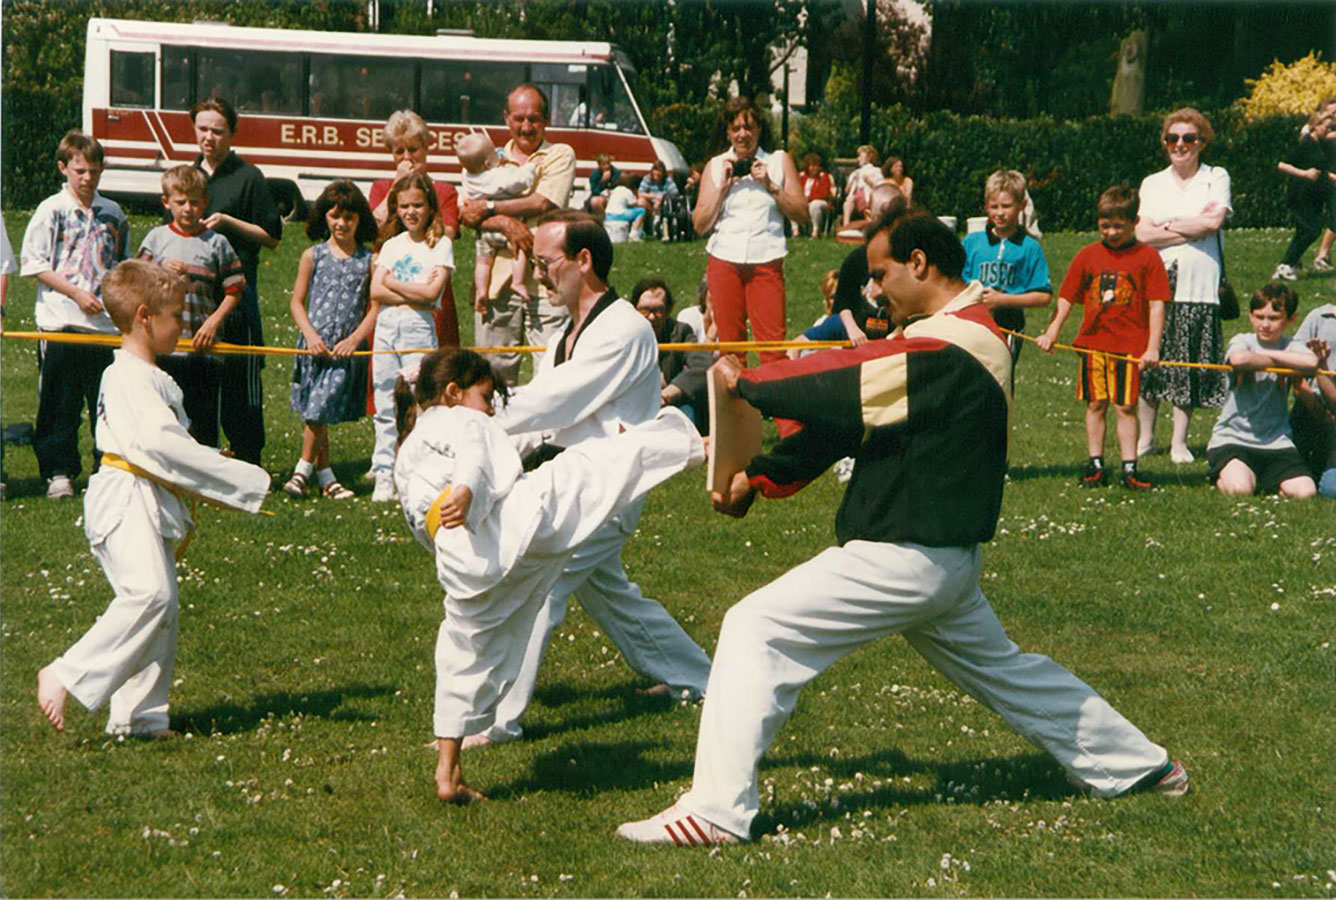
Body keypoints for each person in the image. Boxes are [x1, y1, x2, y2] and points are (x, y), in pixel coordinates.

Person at [617, 212, 1188, 847]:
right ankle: (1143, 766)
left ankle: (717, 811)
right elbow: (855, 421)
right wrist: (763, 476)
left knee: (755, 628)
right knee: (1011, 674)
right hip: (938, 561)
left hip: (904, 556)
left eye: (882, 273)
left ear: (919, 264)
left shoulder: (953, 344)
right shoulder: (948, 337)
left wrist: (748, 382)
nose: (875, 289)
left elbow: (846, 384)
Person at [393, 347, 705, 801]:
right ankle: (699, 444)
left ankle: (448, 772)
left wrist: (459, 515)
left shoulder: (409, 452)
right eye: (485, 397)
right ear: (454, 392)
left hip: (462, 562)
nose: (488, 409)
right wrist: (466, 489)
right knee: (587, 468)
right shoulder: (457, 418)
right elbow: (477, 451)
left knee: (462, 651)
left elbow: (426, 520)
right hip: (507, 524)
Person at [465, 211, 713, 747]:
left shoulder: (622, 328)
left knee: (537, 585)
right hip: (575, 481)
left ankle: (496, 718)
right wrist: (492, 450)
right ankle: (700, 678)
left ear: (584, 261)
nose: (539, 273)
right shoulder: (568, 331)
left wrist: (484, 419)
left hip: (610, 488)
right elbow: (549, 416)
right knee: (614, 597)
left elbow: (557, 398)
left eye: (546, 262)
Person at [35, 260, 270, 736]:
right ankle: (64, 672)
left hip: (146, 495)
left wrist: (203, 456)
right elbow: (160, 445)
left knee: (161, 612)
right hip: (125, 498)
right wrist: (243, 477)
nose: (182, 325)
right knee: (150, 595)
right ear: (144, 316)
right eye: (175, 316)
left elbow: (169, 440)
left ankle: (139, 715)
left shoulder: (147, 376)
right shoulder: (127, 377)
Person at [20, 130, 130, 500]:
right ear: (63, 168)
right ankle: (58, 471)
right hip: (61, 321)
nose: (87, 178)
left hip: (103, 327)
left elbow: (121, 265)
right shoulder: (51, 209)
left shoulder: (112, 212)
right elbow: (34, 263)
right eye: (80, 171)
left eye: (94, 171)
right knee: (59, 402)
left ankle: (107, 467)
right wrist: (76, 293)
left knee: (104, 400)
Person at [1036, 185, 1168, 491]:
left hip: (1129, 349)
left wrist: (1152, 347)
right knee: (1095, 404)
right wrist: (1053, 330)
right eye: (1104, 226)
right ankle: (1095, 463)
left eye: (1118, 226)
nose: (1110, 232)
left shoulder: (1147, 258)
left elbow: (1157, 304)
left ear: (1135, 222)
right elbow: (1067, 296)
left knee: (1125, 407)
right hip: (1093, 345)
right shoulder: (1087, 256)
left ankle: (1129, 467)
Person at [460, 84, 577, 386]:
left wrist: (489, 208)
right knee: (493, 371)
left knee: (552, 369)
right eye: (519, 118)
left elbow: (545, 202)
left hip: (547, 282)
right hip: (495, 285)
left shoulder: (559, 155)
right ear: (506, 118)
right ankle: (497, 431)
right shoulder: (487, 158)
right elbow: (466, 214)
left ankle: (548, 435)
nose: (526, 127)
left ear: (547, 119)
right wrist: (503, 223)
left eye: (534, 119)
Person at [188, 97, 283, 466]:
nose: (209, 137)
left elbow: (272, 236)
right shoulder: (188, 175)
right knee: (198, 379)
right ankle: (201, 458)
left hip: (238, 295)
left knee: (240, 381)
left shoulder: (248, 176)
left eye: (217, 130)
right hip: (195, 298)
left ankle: (248, 458)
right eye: (203, 129)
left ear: (231, 133)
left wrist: (227, 222)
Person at [1135, 108, 1230, 464]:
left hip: (1200, 284)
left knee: (1186, 359)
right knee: (1152, 359)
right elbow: (1141, 234)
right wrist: (1188, 224)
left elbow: (1213, 222)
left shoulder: (1215, 177)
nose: (1180, 145)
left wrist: (1166, 227)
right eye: (1172, 138)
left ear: (1202, 142)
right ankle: (1145, 438)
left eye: (1188, 138)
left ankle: (1178, 442)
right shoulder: (1153, 183)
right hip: (1157, 284)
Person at [136, 165, 244, 448]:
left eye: (195, 202)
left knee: (203, 419)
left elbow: (235, 289)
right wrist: (160, 270)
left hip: (202, 347)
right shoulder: (156, 239)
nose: (188, 209)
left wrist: (214, 322)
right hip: (164, 347)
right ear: (166, 202)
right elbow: (136, 284)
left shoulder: (217, 243)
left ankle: (202, 479)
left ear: (206, 203)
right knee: (164, 417)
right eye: (180, 202)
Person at [694, 96, 808, 366]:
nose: (743, 134)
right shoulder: (716, 165)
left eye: (749, 127)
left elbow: (802, 215)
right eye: (736, 128)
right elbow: (700, 224)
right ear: (728, 132)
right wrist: (722, 190)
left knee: (772, 345)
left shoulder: (779, 161)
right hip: (724, 259)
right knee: (731, 348)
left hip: (766, 259)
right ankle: (736, 407)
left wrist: (771, 185)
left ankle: (775, 407)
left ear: (759, 129)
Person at [283, 181, 378, 500]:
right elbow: (297, 301)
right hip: (314, 346)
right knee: (316, 409)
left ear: (359, 220)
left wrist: (355, 339)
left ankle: (301, 471)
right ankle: (327, 478)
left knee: (319, 408)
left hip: (343, 350)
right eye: (335, 216)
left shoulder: (369, 260)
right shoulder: (313, 255)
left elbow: (376, 306)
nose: (341, 224)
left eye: (349, 217)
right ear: (324, 217)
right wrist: (309, 334)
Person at [369, 173, 453, 502]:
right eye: (404, 206)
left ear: (430, 206)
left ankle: (418, 471)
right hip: (387, 328)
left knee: (419, 400)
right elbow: (376, 289)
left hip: (419, 328)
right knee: (385, 398)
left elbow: (433, 294)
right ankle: (383, 472)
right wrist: (412, 292)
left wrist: (396, 286)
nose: (411, 212)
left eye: (418, 205)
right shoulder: (392, 245)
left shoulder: (440, 244)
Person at [1206, 283, 1318, 498]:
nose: (1265, 324)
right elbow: (1239, 359)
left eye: (1274, 318)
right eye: (1259, 317)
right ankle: (1227, 476)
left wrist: (1270, 357)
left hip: (1276, 442)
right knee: (1241, 490)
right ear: (1250, 316)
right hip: (1232, 440)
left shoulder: (1291, 345)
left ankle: (1264, 478)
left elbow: (1311, 363)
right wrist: (1284, 362)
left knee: (1306, 492)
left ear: (1291, 319)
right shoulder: (1243, 340)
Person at [368, 110, 461, 349]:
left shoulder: (444, 191)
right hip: (387, 301)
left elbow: (446, 234)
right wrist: (397, 187)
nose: (407, 157)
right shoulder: (381, 188)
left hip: (430, 297)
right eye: (399, 151)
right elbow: (373, 231)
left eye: (413, 149)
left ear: (426, 148)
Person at [962, 170, 1053, 364]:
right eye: (994, 206)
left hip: (1009, 325)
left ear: (1022, 205)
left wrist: (1002, 300)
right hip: (971, 323)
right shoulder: (972, 243)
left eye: (1006, 206)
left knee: (1000, 377)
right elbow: (955, 282)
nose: (1000, 213)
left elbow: (1043, 297)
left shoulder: (1029, 248)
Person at [456, 131, 537, 308]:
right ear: (487, 163)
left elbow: (488, 162)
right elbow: (521, 181)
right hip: (505, 232)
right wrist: (529, 167)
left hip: (484, 232)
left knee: (483, 262)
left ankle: (482, 291)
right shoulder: (498, 177)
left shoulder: (467, 175)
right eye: (494, 154)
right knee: (520, 250)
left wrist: (496, 158)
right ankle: (518, 282)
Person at [1272, 109, 1335, 281]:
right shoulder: (1306, 144)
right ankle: (1286, 264)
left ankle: (1287, 265)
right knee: (1312, 229)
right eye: (1327, 128)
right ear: (1316, 126)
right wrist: (1304, 174)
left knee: (1305, 230)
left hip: (1310, 196)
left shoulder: (1318, 144)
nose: (1328, 132)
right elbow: (1282, 165)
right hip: (1299, 194)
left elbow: (1320, 169)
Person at [632, 276, 707, 419]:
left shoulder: (680, 333)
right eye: (645, 310)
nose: (652, 317)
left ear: (669, 310)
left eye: (658, 310)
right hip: (633, 404)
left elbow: (703, 364)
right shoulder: (624, 335)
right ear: (634, 309)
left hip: (672, 405)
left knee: (685, 417)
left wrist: (669, 394)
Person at [1290, 290, 1336, 497]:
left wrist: (1322, 365)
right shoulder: (1319, 317)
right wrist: (1309, 400)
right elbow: (1294, 364)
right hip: (1309, 409)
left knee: (1331, 490)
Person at [786, 269, 841, 358]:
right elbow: (795, 347)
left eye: (841, 295)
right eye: (833, 297)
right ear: (827, 301)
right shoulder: (822, 324)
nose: (838, 301)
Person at [841, 145, 883, 226]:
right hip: (856, 200)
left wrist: (869, 181)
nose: (858, 159)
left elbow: (880, 189)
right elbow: (846, 191)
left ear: (869, 157)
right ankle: (845, 225)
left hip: (869, 199)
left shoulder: (876, 171)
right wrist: (852, 181)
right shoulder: (856, 173)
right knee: (849, 200)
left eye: (860, 156)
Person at [637, 160, 679, 240]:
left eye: (660, 171)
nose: (657, 173)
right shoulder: (647, 179)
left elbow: (675, 193)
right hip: (650, 204)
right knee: (641, 202)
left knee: (658, 207)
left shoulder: (667, 180)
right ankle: (641, 230)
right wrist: (655, 196)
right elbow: (640, 193)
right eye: (655, 170)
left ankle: (657, 230)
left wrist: (661, 200)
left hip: (662, 205)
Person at [797, 153, 835, 238]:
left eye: (817, 166)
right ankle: (795, 231)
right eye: (813, 166)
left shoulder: (824, 177)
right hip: (804, 202)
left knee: (815, 204)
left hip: (821, 202)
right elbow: (796, 190)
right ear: (807, 166)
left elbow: (824, 194)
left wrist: (808, 199)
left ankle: (815, 231)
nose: (815, 168)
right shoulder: (802, 177)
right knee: (792, 204)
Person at [603, 172, 647, 241]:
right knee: (641, 211)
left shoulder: (615, 189)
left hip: (608, 215)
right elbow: (634, 204)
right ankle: (633, 234)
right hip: (618, 215)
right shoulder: (627, 191)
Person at [586, 152, 620, 218]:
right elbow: (595, 191)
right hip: (600, 196)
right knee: (594, 201)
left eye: (608, 163)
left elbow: (617, 185)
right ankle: (601, 218)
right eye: (604, 164)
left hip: (613, 195)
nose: (607, 166)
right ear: (599, 165)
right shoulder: (594, 175)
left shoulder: (616, 172)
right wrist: (603, 181)